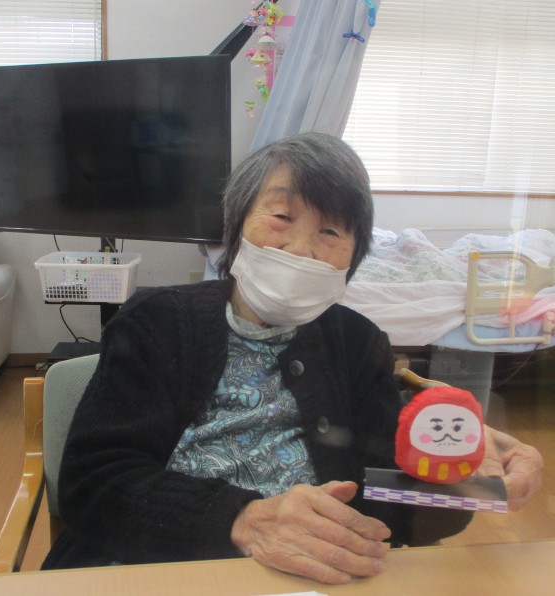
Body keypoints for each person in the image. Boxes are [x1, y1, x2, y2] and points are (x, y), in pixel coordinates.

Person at [42, 132, 543, 584]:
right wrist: (241, 519)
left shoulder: (358, 343)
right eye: (282, 217)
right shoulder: (155, 321)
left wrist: (463, 481)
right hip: (153, 568)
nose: (302, 249)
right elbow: (92, 482)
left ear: (353, 257)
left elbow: (385, 503)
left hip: (309, 577)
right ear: (237, 224)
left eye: (332, 232)